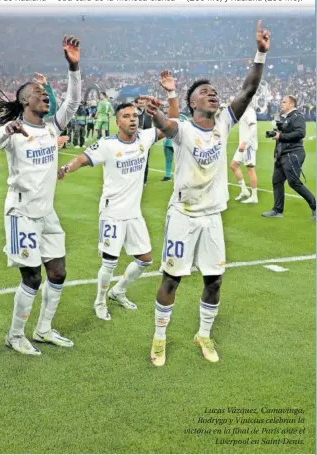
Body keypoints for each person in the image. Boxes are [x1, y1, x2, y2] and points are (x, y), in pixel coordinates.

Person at [142, 20, 270, 367]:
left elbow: (248, 89)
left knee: (214, 281)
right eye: (204, 91)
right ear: (192, 102)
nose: (212, 93)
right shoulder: (183, 128)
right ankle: (159, 338)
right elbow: (166, 126)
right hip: (183, 215)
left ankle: (203, 334)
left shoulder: (225, 123)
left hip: (212, 216)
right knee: (172, 279)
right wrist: (156, 115)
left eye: (214, 90)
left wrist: (260, 52)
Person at [57, 71, 178, 321]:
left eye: (135, 115)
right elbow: (82, 158)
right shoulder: (107, 145)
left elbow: (173, 123)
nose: (132, 120)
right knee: (110, 262)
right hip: (112, 212)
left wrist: (171, 94)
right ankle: (100, 301)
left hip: (134, 213)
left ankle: (118, 291)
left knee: (145, 259)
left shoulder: (145, 137)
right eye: (126, 116)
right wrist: (67, 168)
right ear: (117, 121)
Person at [0, 35, 81, 356]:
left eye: (44, 93)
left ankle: (43, 329)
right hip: (21, 214)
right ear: (25, 100)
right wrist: (7, 129)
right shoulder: (15, 129)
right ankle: (15, 335)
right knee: (31, 277)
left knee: (58, 272)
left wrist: (74, 67)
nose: (44, 96)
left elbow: (73, 102)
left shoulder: (52, 128)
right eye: (38, 93)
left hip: (47, 213)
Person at [262, 95, 316, 219]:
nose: (281, 103)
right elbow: (284, 134)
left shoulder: (297, 116)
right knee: (277, 181)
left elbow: (300, 133)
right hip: (282, 155)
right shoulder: (286, 118)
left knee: (294, 183)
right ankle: (277, 210)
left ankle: (315, 206)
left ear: (291, 104)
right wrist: (276, 134)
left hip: (293, 154)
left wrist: (280, 136)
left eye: (284, 101)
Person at [230, 101, 259, 203]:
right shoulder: (244, 112)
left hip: (248, 145)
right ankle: (244, 190)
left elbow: (253, 128)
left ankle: (254, 196)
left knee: (250, 169)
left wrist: (245, 142)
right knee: (233, 165)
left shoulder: (250, 112)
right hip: (242, 145)